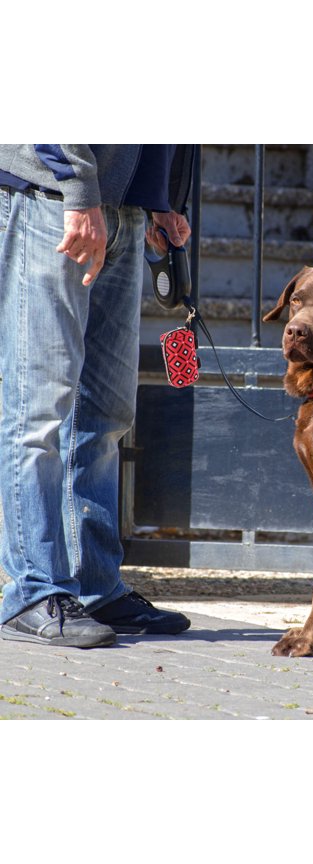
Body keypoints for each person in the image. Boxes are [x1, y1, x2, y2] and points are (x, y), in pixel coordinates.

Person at [0, 145, 195, 648]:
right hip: (55, 196)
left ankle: (94, 587)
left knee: (105, 412)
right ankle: (33, 591)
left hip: (125, 205)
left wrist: (162, 199)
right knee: (39, 407)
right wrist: (79, 190)